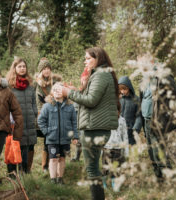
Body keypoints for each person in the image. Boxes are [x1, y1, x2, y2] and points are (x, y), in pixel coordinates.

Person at [62, 47, 120, 200]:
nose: (85, 61)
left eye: (88, 58)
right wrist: (76, 91)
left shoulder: (100, 75)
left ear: (98, 58)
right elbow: (91, 97)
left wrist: (68, 93)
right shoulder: (99, 74)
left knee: (92, 171)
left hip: (95, 129)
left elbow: (91, 101)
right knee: (93, 170)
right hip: (94, 127)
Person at [140, 68, 176, 183]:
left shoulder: (164, 76)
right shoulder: (144, 78)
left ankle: (171, 181)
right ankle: (160, 179)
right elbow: (142, 99)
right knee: (152, 152)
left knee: (160, 153)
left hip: (158, 122)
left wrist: (164, 118)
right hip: (146, 120)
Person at [38, 82, 78, 184]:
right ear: (52, 92)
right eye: (55, 90)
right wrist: (47, 132)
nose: (57, 92)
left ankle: (60, 178)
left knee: (62, 159)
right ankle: (53, 179)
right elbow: (41, 120)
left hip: (65, 138)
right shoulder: (47, 106)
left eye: (60, 89)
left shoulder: (70, 107)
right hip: (52, 138)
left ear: (64, 92)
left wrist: (75, 136)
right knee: (53, 159)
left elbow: (74, 122)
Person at [6, 57, 37, 173]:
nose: (22, 68)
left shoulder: (30, 86)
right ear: (14, 68)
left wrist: (34, 114)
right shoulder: (10, 86)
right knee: (14, 147)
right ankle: (12, 172)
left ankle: (25, 172)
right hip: (15, 122)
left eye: (24, 66)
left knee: (27, 147)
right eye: (20, 66)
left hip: (29, 121)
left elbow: (34, 103)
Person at [34, 57, 62, 173]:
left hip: (52, 114)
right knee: (35, 141)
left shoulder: (54, 82)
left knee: (48, 141)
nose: (46, 71)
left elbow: (58, 97)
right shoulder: (36, 83)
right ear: (41, 70)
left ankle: (46, 166)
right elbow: (34, 99)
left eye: (48, 68)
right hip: (40, 114)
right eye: (44, 69)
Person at [102, 116, 128, 191]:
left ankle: (114, 185)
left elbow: (125, 135)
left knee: (116, 167)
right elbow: (102, 134)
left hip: (118, 147)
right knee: (105, 167)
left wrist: (126, 150)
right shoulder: (105, 118)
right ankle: (104, 183)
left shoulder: (122, 120)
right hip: (107, 146)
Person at [118, 76, 142, 145]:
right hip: (118, 131)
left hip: (130, 132)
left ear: (129, 87)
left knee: (130, 153)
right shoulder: (118, 99)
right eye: (120, 89)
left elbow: (139, 116)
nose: (122, 91)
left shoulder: (136, 100)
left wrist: (136, 129)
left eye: (124, 89)